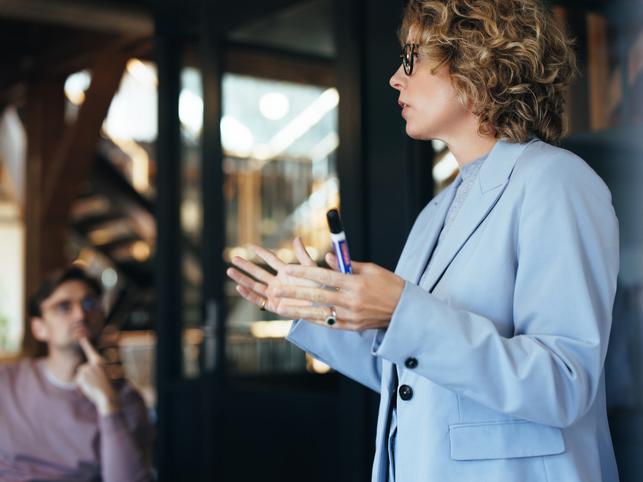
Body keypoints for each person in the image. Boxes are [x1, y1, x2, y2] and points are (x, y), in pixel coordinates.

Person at [227, 1, 620, 481]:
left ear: (476, 62)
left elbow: (564, 381)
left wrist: (400, 310)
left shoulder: (557, 182)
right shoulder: (438, 208)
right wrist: (316, 307)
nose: (396, 78)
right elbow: (414, 377)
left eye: (411, 59)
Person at [0, 266, 151, 482]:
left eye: (90, 304)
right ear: (39, 328)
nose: (80, 314)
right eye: (63, 307)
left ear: (100, 317)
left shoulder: (124, 398)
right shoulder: (6, 382)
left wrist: (108, 403)